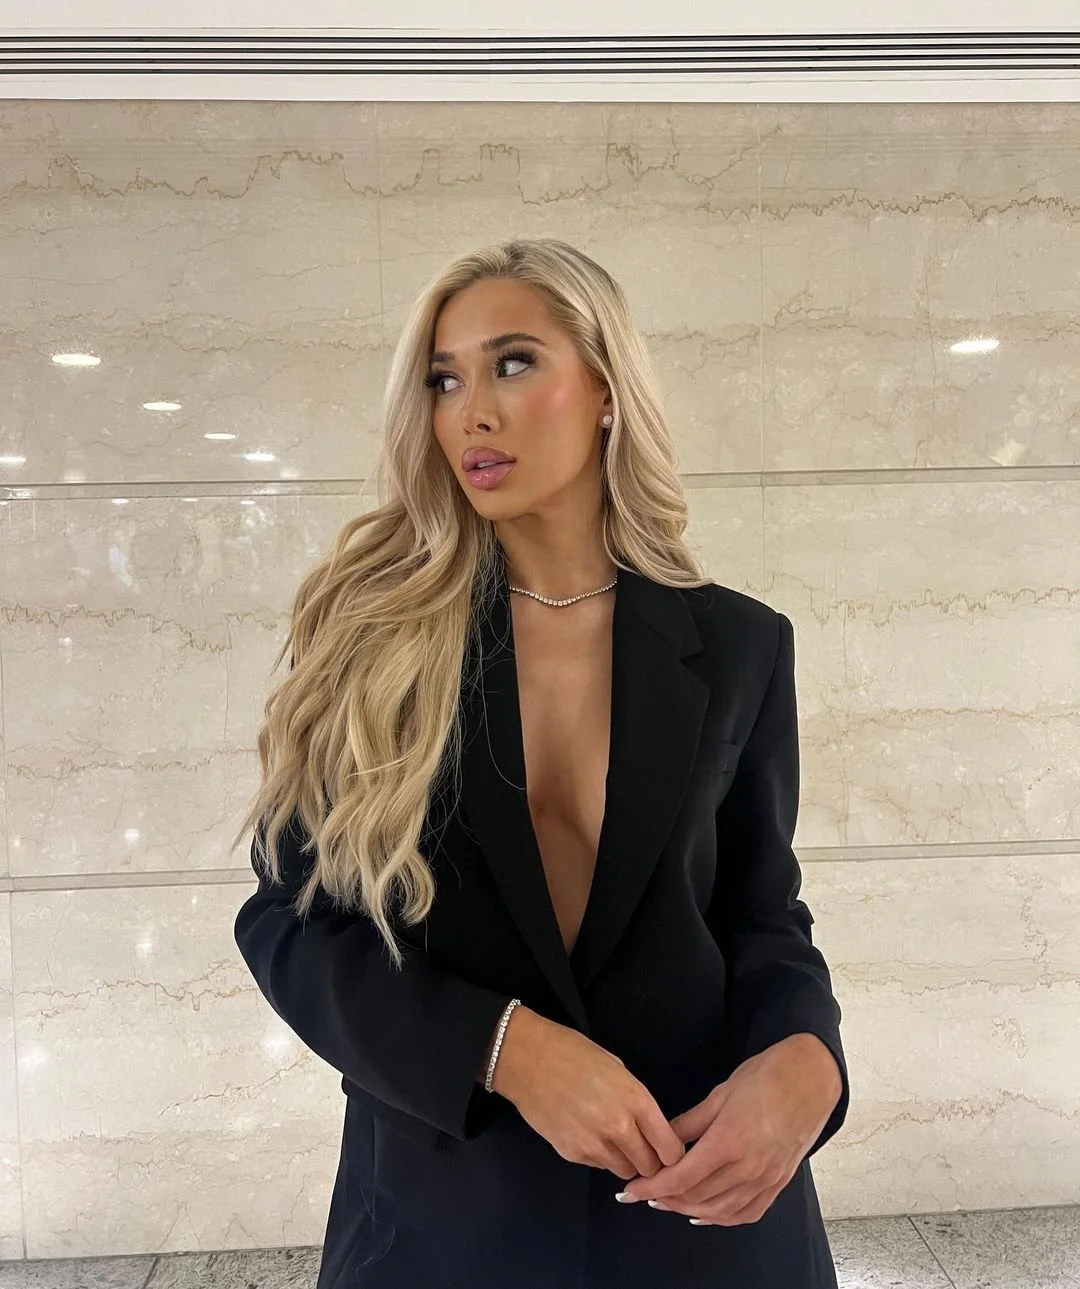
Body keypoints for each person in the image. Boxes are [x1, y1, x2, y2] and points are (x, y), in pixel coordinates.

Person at [231, 237, 850, 1288]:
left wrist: (808, 1054)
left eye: (512, 362)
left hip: (702, 1206)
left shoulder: (740, 643)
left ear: (605, 388)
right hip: (446, 1219)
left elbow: (761, 908)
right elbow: (289, 921)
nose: (472, 409)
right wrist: (505, 1046)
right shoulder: (363, 637)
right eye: (444, 377)